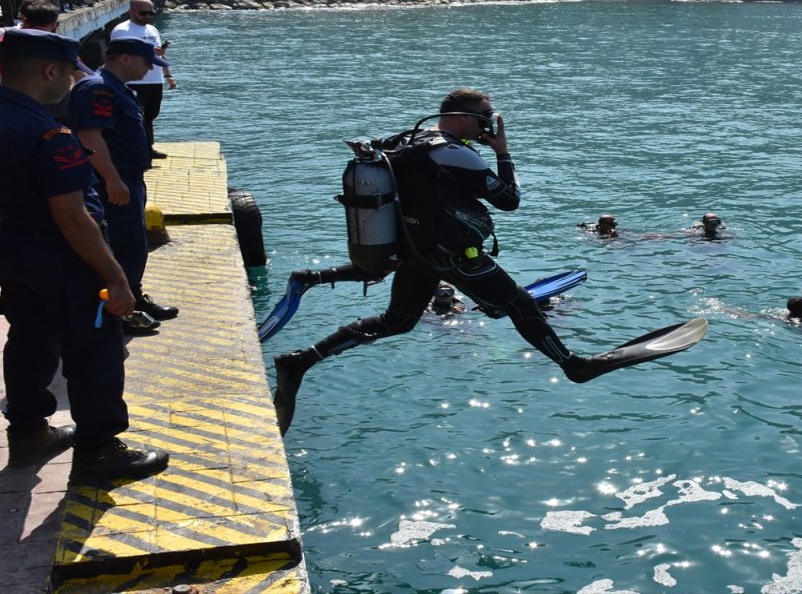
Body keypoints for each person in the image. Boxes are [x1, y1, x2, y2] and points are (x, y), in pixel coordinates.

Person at [273, 88, 674, 434]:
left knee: (397, 322)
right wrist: (502, 152)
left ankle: (300, 361)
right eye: (485, 118)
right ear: (463, 117)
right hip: (454, 257)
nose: (489, 124)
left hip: (415, 252)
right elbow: (509, 200)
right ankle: (573, 365)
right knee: (520, 306)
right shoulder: (453, 154)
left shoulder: (404, 141)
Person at [0, 29, 169, 481]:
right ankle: (98, 450)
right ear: (50, 71)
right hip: (67, 259)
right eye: (69, 72)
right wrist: (118, 278)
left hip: (13, 246)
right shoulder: (50, 136)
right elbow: (73, 218)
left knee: (28, 340)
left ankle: (28, 430)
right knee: (93, 353)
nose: (73, 80)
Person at [69, 37, 178, 335]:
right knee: (121, 242)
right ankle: (121, 311)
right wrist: (111, 178)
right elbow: (90, 136)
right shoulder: (99, 88)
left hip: (129, 177)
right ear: (126, 58)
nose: (149, 70)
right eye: (146, 63)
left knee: (133, 242)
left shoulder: (116, 88)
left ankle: (133, 297)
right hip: (113, 181)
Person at [109, 0, 175, 159]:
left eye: (150, 13)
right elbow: (122, 55)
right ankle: (133, 149)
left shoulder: (152, 30)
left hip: (154, 80)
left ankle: (148, 147)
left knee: (150, 115)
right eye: (143, 13)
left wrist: (167, 75)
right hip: (134, 81)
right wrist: (152, 53)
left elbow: (160, 54)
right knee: (133, 117)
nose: (147, 16)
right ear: (132, 11)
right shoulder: (122, 30)